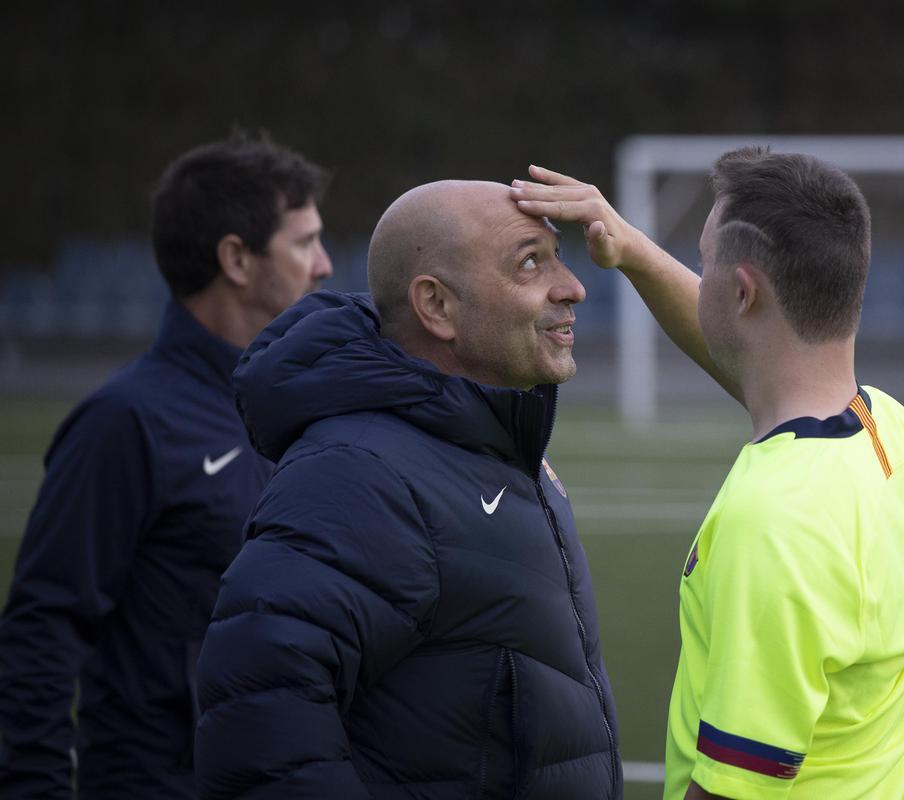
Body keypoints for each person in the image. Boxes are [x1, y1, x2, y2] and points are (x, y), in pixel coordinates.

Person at [511, 148, 904, 799]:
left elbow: (732, 788)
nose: (699, 275)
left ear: (742, 292)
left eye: (706, 261)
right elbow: (759, 360)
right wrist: (630, 249)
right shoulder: (894, 434)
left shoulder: (774, 521)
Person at [192, 180, 621, 799]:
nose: (572, 286)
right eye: (531, 261)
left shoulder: (499, 446)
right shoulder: (359, 473)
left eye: (556, 256)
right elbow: (257, 717)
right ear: (437, 306)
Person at [0, 134, 331, 799]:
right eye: (303, 243)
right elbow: (43, 627)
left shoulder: (300, 410)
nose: (324, 265)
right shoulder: (125, 421)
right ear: (236, 259)